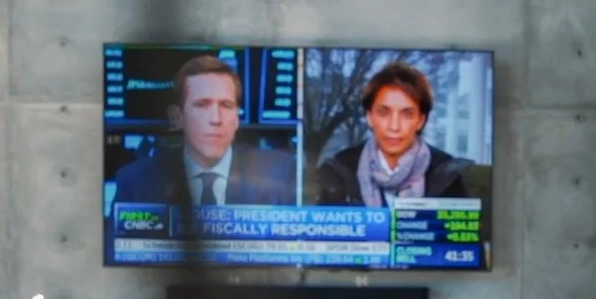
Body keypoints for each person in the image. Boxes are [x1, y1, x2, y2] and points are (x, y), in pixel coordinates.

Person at [109, 55, 297, 211]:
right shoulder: (136, 182)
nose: (216, 118)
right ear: (178, 118)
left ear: (237, 118)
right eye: (201, 105)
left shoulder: (278, 175)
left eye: (226, 105)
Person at [315, 61, 471, 207]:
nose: (394, 126)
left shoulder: (446, 175)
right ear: (369, 117)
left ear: (420, 121)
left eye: (406, 114)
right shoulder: (340, 171)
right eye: (384, 113)